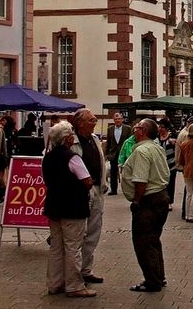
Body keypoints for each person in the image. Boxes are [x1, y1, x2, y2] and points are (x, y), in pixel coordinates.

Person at [41, 121, 96, 298]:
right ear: (67, 138)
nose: (73, 136)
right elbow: (87, 181)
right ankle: (74, 285)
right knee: (73, 247)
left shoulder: (48, 157)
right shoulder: (72, 157)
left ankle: (54, 283)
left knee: (56, 247)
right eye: (71, 134)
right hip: (73, 206)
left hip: (54, 205)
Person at [121, 118, 171, 292]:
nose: (134, 130)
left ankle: (152, 280)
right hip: (161, 197)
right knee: (153, 240)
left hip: (148, 200)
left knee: (144, 242)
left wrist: (136, 200)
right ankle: (158, 276)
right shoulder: (156, 148)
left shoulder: (142, 151)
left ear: (142, 131)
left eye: (136, 128)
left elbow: (140, 180)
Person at [69, 109, 107, 285]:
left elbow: (101, 161)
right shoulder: (71, 140)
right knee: (78, 233)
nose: (95, 122)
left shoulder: (95, 139)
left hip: (97, 188)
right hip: (79, 190)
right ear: (80, 123)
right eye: (91, 120)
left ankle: (86, 269)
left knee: (93, 231)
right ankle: (74, 273)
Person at [104, 112, 130, 196]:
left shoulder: (128, 128)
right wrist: (107, 154)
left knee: (127, 172)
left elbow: (130, 141)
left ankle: (128, 189)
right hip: (113, 154)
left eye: (119, 119)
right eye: (115, 119)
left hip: (124, 153)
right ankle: (113, 190)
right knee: (113, 172)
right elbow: (108, 142)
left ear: (122, 119)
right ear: (113, 120)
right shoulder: (110, 129)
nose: (117, 120)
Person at [156, 120, 177, 211]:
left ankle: (169, 202)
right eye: (159, 126)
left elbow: (177, 149)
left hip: (171, 164)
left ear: (167, 128)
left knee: (170, 184)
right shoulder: (156, 137)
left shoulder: (172, 136)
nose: (160, 129)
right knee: (161, 184)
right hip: (160, 164)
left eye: (162, 127)